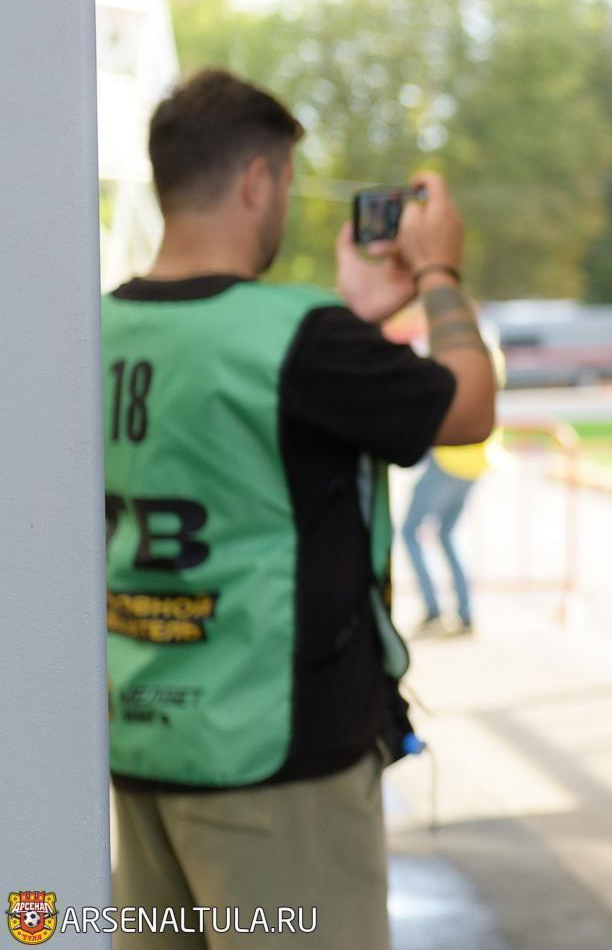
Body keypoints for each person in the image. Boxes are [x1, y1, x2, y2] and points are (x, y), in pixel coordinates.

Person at [102, 69, 497, 949]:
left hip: (139, 745)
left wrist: (355, 314)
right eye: (283, 180)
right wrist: (439, 269)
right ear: (258, 180)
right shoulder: (298, 337)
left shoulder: (96, 329)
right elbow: (469, 405)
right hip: (277, 762)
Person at [402, 339, 504, 637]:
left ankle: (434, 609)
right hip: (476, 459)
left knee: (410, 532)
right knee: (446, 534)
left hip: (450, 457)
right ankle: (465, 612)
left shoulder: (456, 352)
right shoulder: (487, 353)